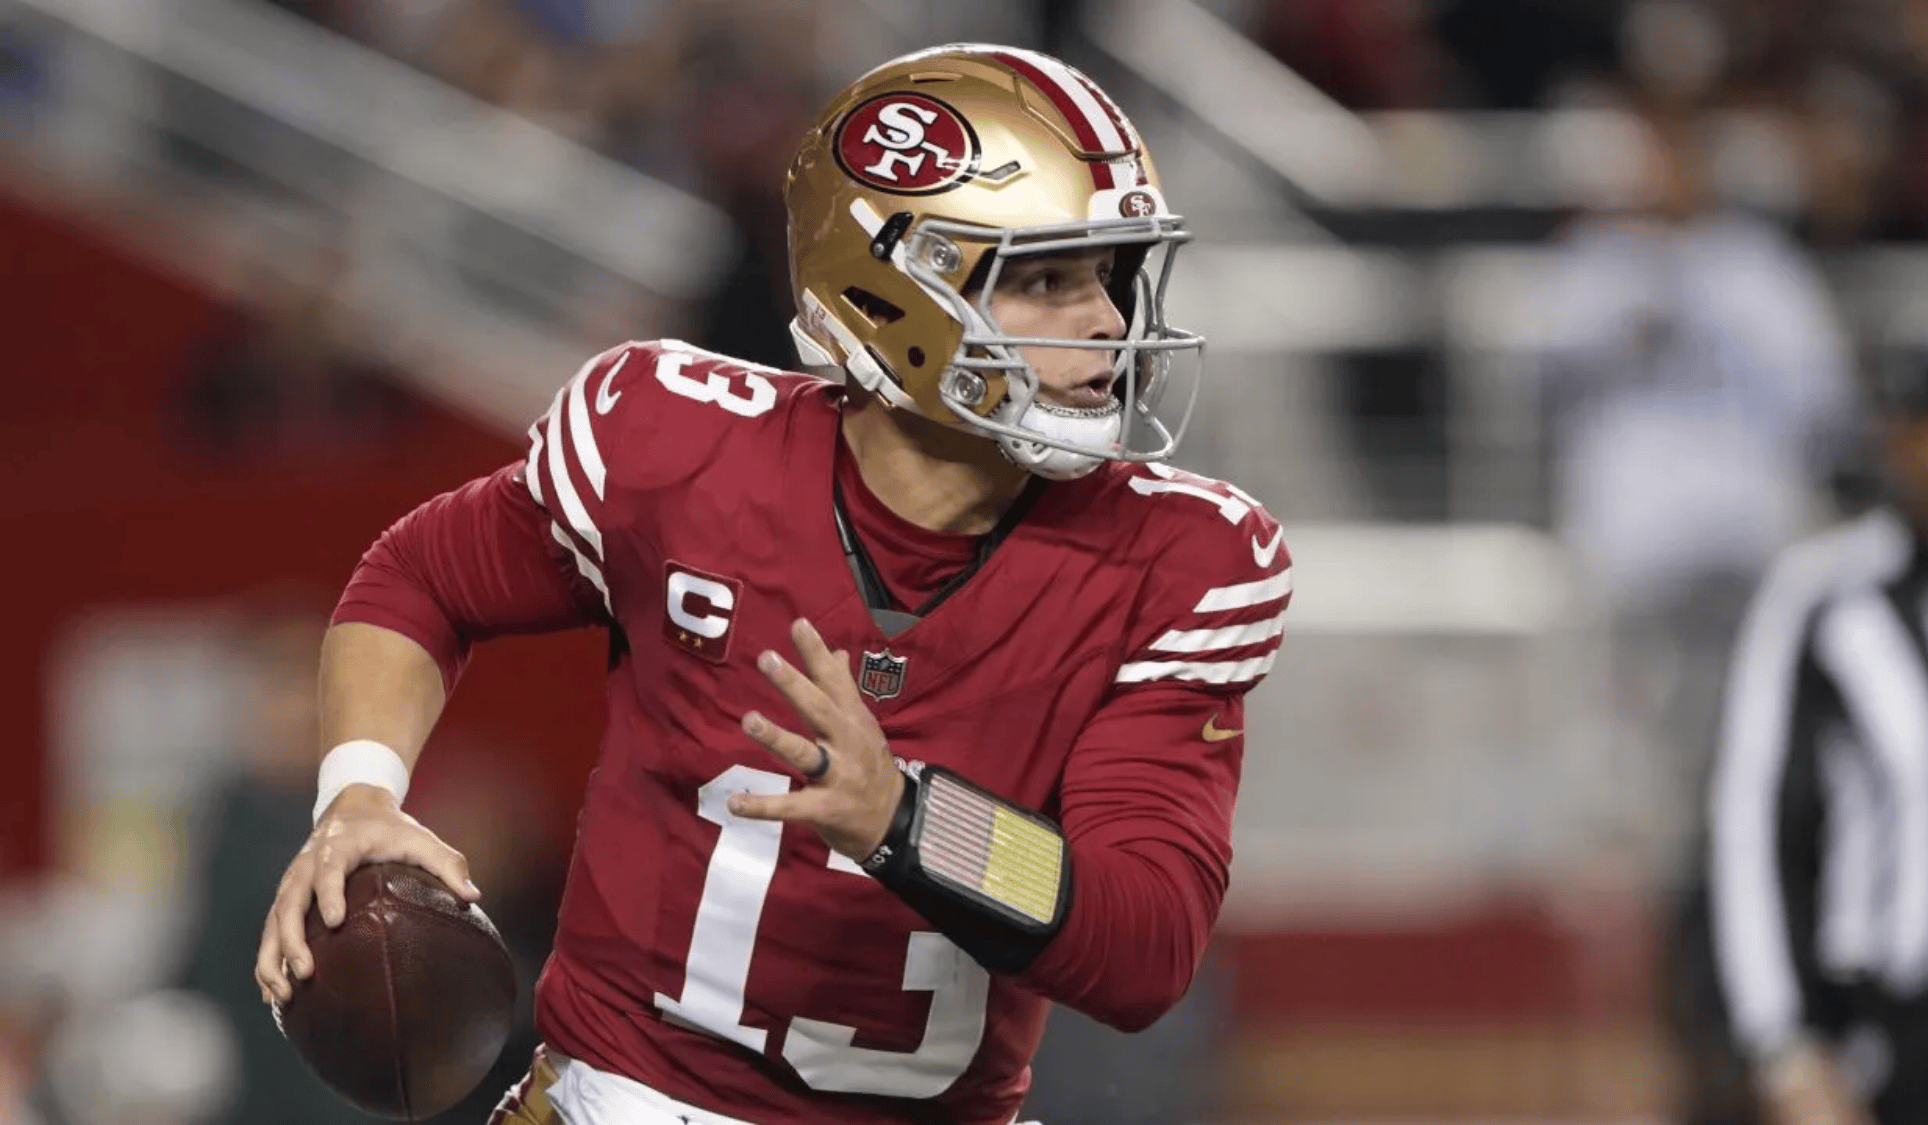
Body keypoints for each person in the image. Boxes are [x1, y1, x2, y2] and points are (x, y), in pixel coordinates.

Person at [253, 44, 1291, 1125]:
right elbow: (421, 577)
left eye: (1112, 274)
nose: (1107, 323)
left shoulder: (1174, 561)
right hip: (629, 1101)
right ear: (886, 297)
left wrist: (909, 821)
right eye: (1043, 278)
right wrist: (359, 797)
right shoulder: (680, 448)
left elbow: (1146, 946)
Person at [1699, 313, 1928, 1125]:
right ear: (1905, 443)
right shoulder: (1826, 596)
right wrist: (1786, 1045)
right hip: (1892, 1043)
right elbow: (1758, 821)